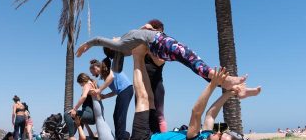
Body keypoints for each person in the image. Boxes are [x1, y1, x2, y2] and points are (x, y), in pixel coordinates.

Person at [128, 44, 259, 140]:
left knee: (143, 98)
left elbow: (196, 112)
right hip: (154, 135)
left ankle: (137, 55)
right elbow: (210, 115)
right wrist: (229, 94)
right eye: (221, 133)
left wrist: (213, 84)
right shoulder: (206, 135)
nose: (218, 133)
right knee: (149, 98)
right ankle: (141, 54)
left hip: (143, 138)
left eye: (219, 138)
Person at [76, 22, 250, 91]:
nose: (113, 37)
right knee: (192, 59)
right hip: (161, 43)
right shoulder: (122, 45)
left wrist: (147, 28)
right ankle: (226, 81)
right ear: (112, 47)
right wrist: (87, 44)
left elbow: (117, 66)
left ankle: (227, 84)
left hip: (161, 46)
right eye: (111, 41)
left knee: (191, 62)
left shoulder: (126, 44)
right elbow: (99, 39)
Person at [89, 54, 133, 140]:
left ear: (95, 68)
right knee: (115, 115)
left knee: (120, 116)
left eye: (92, 73)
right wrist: (105, 96)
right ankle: (123, 135)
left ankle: (121, 137)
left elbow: (112, 77)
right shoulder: (106, 77)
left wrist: (99, 90)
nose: (93, 75)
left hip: (126, 90)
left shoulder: (109, 69)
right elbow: (115, 91)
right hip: (122, 92)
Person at [143, 19, 167, 132]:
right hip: (143, 83)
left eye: (160, 32)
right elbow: (135, 34)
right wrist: (144, 28)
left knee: (159, 115)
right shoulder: (144, 41)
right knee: (145, 113)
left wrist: (148, 50)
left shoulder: (164, 45)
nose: (158, 35)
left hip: (157, 83)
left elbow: (159, 62)